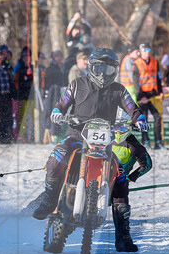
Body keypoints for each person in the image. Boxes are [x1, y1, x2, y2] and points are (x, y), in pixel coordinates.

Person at [30, 48, 147, 223]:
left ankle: (122, 229)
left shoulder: (119, 90)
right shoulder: (77, 84)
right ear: (91, 68)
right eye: (99, 68)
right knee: (57, 158)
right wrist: (57, 111)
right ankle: (49, 198)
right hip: (76, 137)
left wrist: (139, 118)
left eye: (108, 69)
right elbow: (62, 103)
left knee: (121, 176)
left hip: (105, 143)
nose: (103, 74)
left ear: (114, 70)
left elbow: (132, 107)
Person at [107, 121, 153, 252]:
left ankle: (123, 241)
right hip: (97, 179)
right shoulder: (106, 137)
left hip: (118, 182)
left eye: (123, 129)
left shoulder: (134, 145)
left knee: (121, 206)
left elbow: (147, 165)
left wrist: (131, 177)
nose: (119, 131)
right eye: (116, 128)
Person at [134, 43, 164, 148]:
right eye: (145, 50)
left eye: (148, 49)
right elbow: (136, 82)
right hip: (143, 95)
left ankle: (158, 141)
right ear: (141, 51)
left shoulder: (155, 62)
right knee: (144, 119)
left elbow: (158, 78)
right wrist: (141, 96)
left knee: (157, 117)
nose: (147, 52)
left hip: (153, 94)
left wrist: (160, 91)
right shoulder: (136, 63)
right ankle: (145, 141)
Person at [14, 47, 35, 142]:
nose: (27, 59)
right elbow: (17, 85)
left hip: (32, 98)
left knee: (31, 117)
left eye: (28, 57)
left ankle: (30, 136)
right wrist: (18, 98)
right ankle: (21, 135)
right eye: (25, 57)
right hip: (23, 98)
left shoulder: (34, 69)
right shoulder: (20, 70)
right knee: (22, 117)